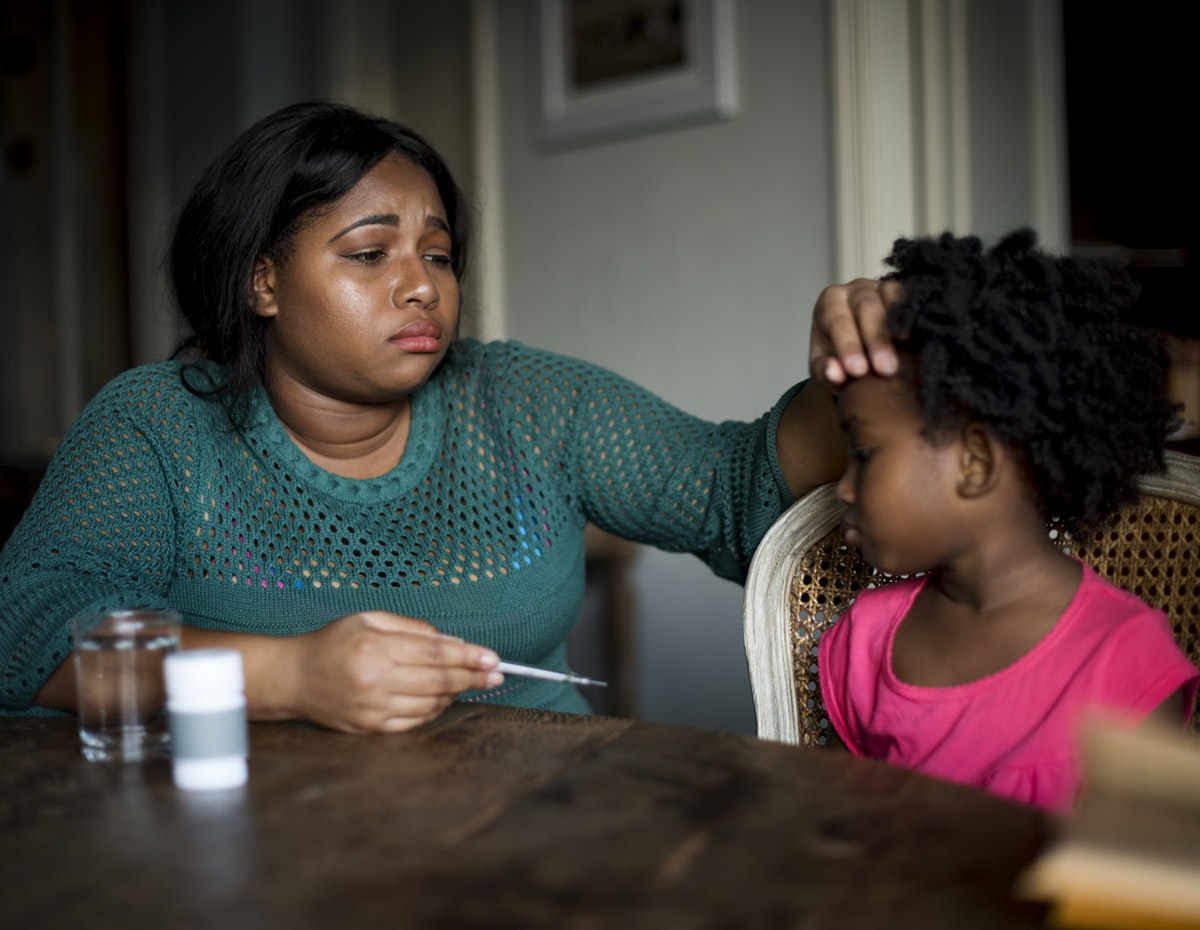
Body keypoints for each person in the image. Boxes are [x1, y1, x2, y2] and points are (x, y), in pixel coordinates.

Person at [0, 100, 854, 733]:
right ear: (261, 281)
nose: (422, 285)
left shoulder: (527, 403)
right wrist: (291, 676)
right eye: (371, 254)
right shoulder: (160, 427)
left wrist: (853, 374)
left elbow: (734, 493)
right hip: (257, 850)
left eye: (438, 255)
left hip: (537, 829)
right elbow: (27, 633)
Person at [817, 230, 1200, 811]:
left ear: (975, 461)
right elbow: (842, 830)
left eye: (864, 452)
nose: (843, 486)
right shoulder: (862, 642)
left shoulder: (1124, 664)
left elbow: (1137, 887)